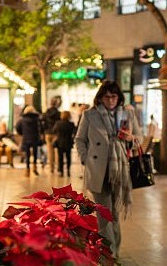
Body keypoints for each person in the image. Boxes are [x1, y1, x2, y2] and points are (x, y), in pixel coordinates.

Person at [75, 80, 142, 255]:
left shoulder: (127, 113)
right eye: (107, 97)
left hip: (120, 170)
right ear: (100, 98)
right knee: (104, 214)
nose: (111, 100)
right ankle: (108, 252)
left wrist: (130, 139)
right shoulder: (90, 115)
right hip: (98, 169)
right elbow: (80, 139)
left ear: (119, 98)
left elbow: (139, 137)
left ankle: (114, 251)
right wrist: (86, 159)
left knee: (114, 213)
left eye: (114, 97)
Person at [16, 105, 43, 177]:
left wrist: (22, 133)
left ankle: (27, 170)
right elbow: (41, 128)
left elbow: (18, 128)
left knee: (27, 155)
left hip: (26, 138)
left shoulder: (22, 120)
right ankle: (34, 167)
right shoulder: (37, 119)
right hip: (35, 138)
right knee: (35, 153)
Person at [42, 96, 62, 173]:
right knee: (57, 151)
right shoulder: (58, 113)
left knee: (50, 151)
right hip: (56, 134)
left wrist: (44, 131)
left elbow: (42, 122)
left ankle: (51, 168)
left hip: (48, 133)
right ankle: (58, 167)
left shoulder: (46, 113)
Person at [53, 111, 76, 177]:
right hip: (68, 142)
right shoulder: (71, 124)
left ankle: (61, 171)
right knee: (68, 157)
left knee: (60, 158)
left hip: (60, 142)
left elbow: (54, 130)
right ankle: (68, 170)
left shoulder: (58, 123)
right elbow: (74, 132)